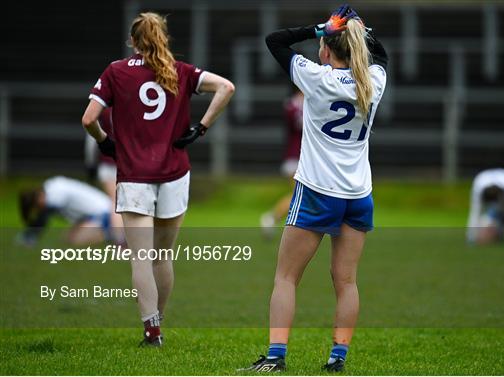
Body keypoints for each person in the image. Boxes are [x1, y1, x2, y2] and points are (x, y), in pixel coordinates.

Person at [242, 4, 388, 372]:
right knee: (347, 281)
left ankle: (276, 357)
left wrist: (319, 27)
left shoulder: (316, 77)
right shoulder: (373, 80)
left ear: (325, 49)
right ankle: (337, 358)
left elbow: (274, 41)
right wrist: (358, 28)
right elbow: (381, 54)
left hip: (317, 191)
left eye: (322, 43)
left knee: (286, 277)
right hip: (358, 195)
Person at [81, 12, 235, 347]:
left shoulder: (116, 71)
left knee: (140, 257)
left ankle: (151, 330)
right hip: (174, 172)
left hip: (134, 173)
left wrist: (105, 142)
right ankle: (158, 322)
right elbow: (226, 87)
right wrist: (202, 128)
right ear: (163, 38)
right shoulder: (180, 71)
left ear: (132, 41)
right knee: (162, 256)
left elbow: (89, 118)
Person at [18, 176, 113, 246]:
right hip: (87, 217)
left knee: (77, 242)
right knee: (68, 241)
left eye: (38, 206)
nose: (40, 209)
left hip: (103, 213)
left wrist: (31, 235)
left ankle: (112, 234)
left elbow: (44, 216)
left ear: (39, 195)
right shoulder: (51, 187)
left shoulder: (54, 190)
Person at [260, 86, 303, 237]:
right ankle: (271, 218)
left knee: (300, 196)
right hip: (295, 157)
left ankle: (275, 220)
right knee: (298, 195)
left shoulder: (303, 103)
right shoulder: (293, 105)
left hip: (301, 158)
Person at [84, 107, 124, 243]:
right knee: (122, 202)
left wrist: (90, 163)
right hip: (125, 162)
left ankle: (120, 240)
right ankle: (121, 240)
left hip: (109, 163)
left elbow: (91, 138)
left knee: (116, 203)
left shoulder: (102, 107)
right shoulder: (129, 102)